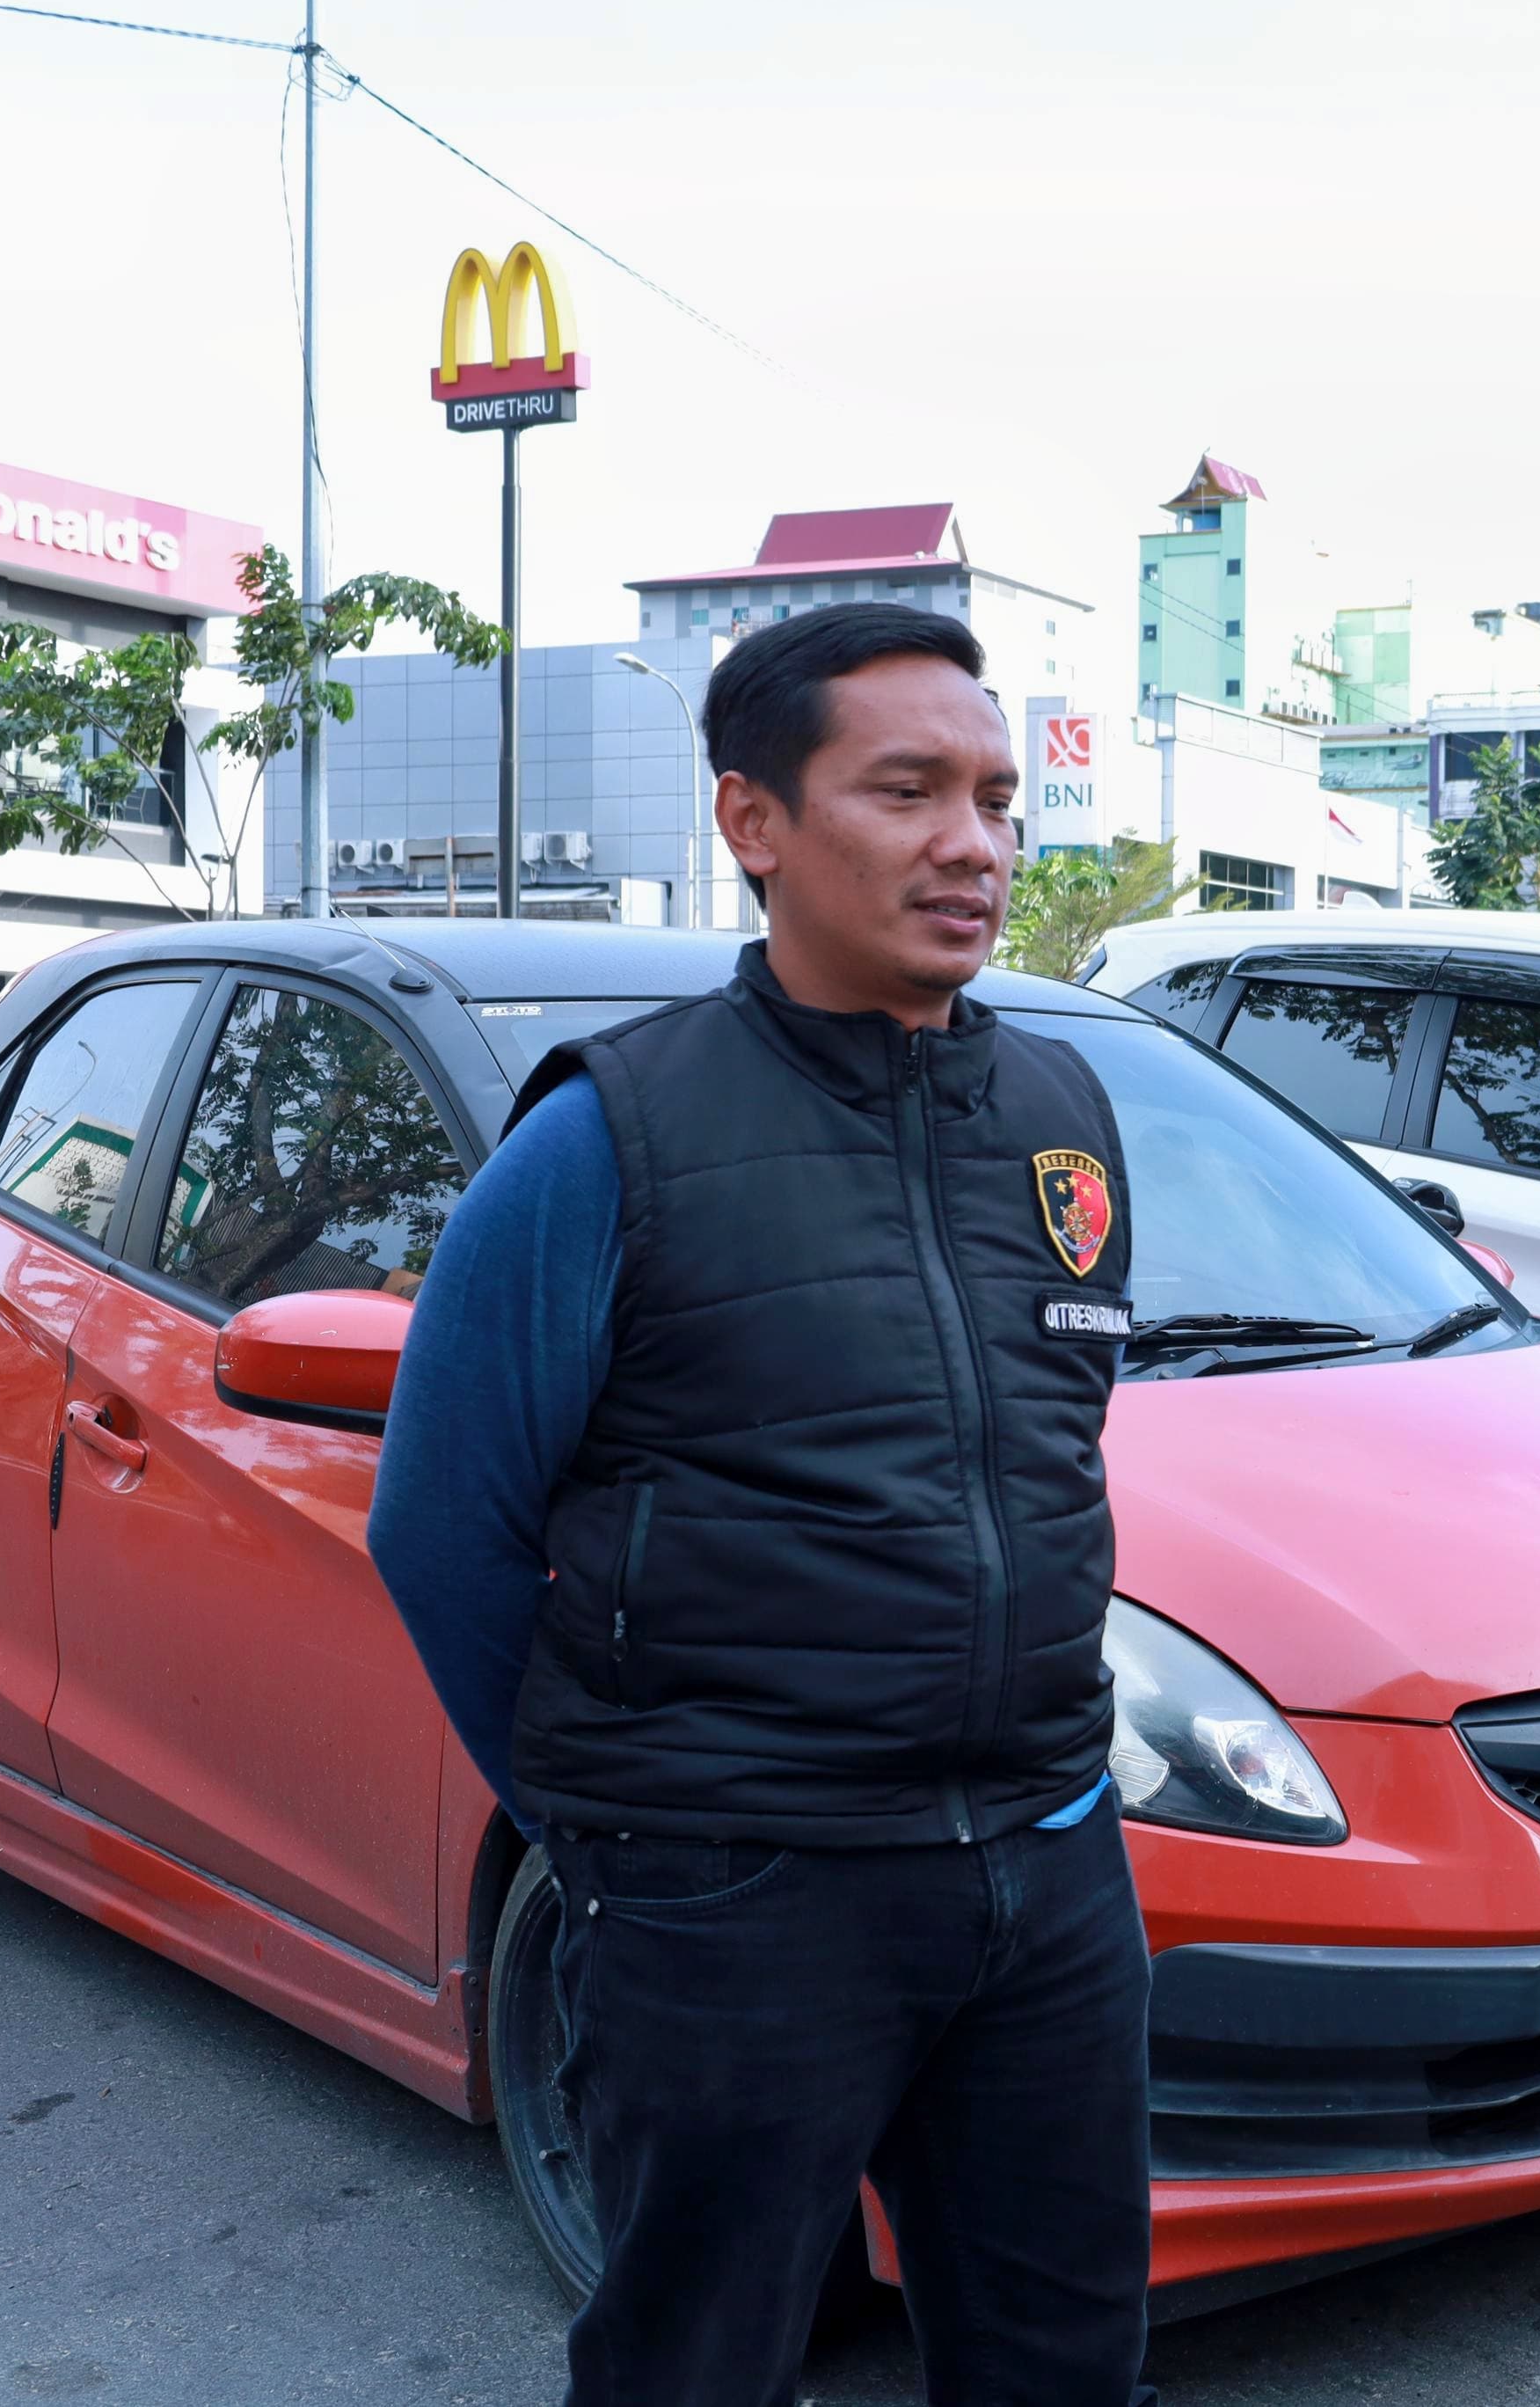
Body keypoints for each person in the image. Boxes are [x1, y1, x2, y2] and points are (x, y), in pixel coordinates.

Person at [367, 603, 1155, 2407]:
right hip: (742, 1901)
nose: (975, 842)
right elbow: (441, 1524)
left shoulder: (1060, 1112)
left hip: (1045, 1877)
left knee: (1064, 2362)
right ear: (754, 823)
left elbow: (1054, 1448)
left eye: (997, 796)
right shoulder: (611, 1136)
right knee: (696, 2367)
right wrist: (638, 1832)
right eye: (908, 789)